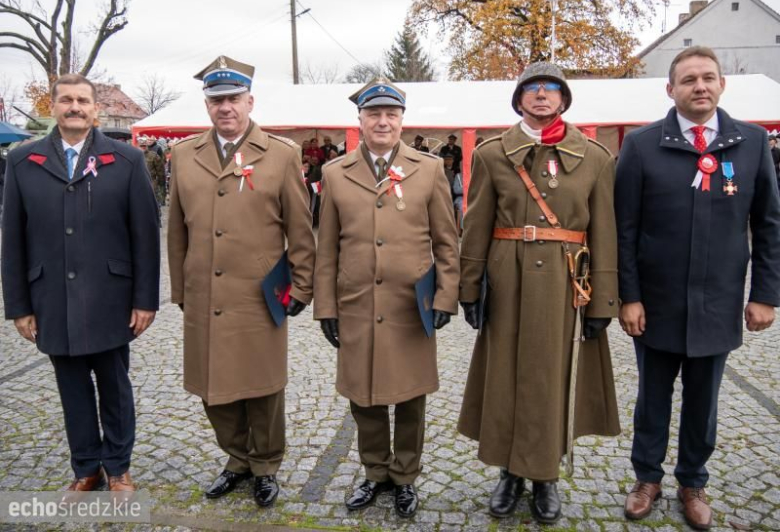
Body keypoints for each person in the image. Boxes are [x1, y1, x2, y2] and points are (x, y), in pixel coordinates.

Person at [615, 46, 780, 530]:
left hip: (718, 301)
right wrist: (629, 295)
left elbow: (769, 225)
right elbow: (624, 228)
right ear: (671, 90)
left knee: (704, 400)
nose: (700, 86)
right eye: (688, 80)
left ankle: (693, 481)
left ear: (722, 85)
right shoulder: (642, 145)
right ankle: (647, 477)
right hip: (656, 303)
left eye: (708, 77)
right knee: (652, 399)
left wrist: (766, 294)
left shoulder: (750, 143)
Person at [458, 62, 620, 524]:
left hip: (567, 285)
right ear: (519, 99)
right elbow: (476, 223)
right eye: (533, 89)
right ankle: (510, 472)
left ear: (564, 100)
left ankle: (545, 475)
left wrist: (603, 298)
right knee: (506, 375)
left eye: (552, 89)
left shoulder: (595, 158)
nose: (542, 95)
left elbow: (604, 229)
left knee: (553, 377)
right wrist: (470, 287)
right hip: (507, 279)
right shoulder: (491, 154)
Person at [167, 55, 316, 508]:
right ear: (207, 106)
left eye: (233, 98)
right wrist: (180, 290)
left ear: (250, 101)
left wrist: (302, 285)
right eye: (216, 100)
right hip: (204, 292)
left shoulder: (281, 154)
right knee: (213, 384)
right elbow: (176, 229)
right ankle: (237, 459)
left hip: (260, 291)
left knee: (263, 384)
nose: (225, 107)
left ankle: (266, 464)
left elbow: (301, 229)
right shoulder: (184, 154)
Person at [1, 73, 160, 493]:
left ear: (95, 109)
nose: (75, 107)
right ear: (52, 107)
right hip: (51, 298)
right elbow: (12, 238)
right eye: (66, 100)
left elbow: (145, 236)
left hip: (111, 298)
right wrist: (18, 305)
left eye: (83, 101)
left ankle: (119, 466)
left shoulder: (127, 161)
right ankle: (86, 467)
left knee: (114, 387)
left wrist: (146, 300)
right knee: (71, 388)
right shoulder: (22, 162)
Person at [314, 78, 460, 518]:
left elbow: (447, 241)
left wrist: (445, 296)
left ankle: (406, 476)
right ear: (359, 120)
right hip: (357, 303)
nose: (382, 121)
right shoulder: (335, 173)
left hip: (409, 306)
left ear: (401, 120)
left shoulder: (429, 169)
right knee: (365, 396)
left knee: (411, 397)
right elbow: (327, 248)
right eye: (373, 114)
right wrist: (326, 307)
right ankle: (375, 472)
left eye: (390, 114)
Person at [140, 137, 166, 206]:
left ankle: (157, 212)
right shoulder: (135, 155)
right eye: (141, 146)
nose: (143, 147)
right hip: (138, 182)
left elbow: (160, 170)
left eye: (144, 146)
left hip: (151, 181)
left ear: (147, 146)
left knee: (154, 200)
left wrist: (161, 182)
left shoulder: (153, 155)